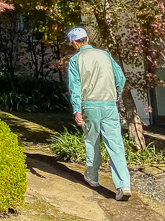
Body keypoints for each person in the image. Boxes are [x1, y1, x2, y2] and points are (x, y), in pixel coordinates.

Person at [66, 26, 132, 201]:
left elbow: (75, 87)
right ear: (87, 39)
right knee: (115, 144)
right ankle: (123, 185)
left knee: (92, 141)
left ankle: (93, 177)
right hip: (109, 104)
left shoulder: (75, 60)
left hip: (90, 105)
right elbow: (121, 78)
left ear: (74, 42)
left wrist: (77, 109)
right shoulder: (105, 55)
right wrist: (116, 94)